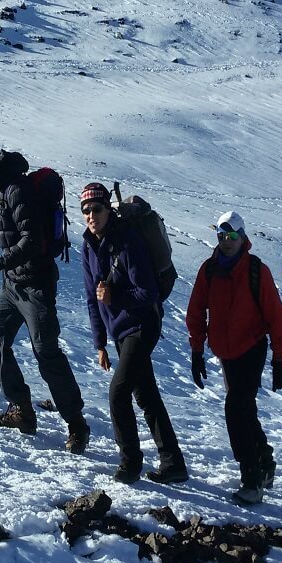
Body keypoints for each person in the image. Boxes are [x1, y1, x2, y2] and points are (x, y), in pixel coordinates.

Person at [0, 140, 90, 453]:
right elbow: (6, 234)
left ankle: (77, 425)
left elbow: (32, 241)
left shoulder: (17, 189)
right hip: (12, 285)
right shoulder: (0, 190)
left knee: (46, 353)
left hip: (36, 286)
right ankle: (22, 412)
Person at [79, 182, 188, 484]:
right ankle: (173, 463)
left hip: (142, 325)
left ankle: (130, 463)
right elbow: (92, 297)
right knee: (146, 395)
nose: (91, 215)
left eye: (96, 209)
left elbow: (148, 293)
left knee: (118, 392)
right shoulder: (88, 246)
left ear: (106, 209)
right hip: (120, 332)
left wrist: (116, 298)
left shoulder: (127, 242)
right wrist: (99, 342)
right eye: (85, 210)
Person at [185, 210, 282, 505]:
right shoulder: (209, 270)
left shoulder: (257, 271)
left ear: (243, 237)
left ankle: (251, 478)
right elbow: (195, 313)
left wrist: (279, 359)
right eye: (221, 236)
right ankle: (265, 462)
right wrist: (197, 351)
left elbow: (277, 318)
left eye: (232, 236)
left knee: (235, 408)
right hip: (226, 352)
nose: (226, 241)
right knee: (244, 410)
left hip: (252, 348)